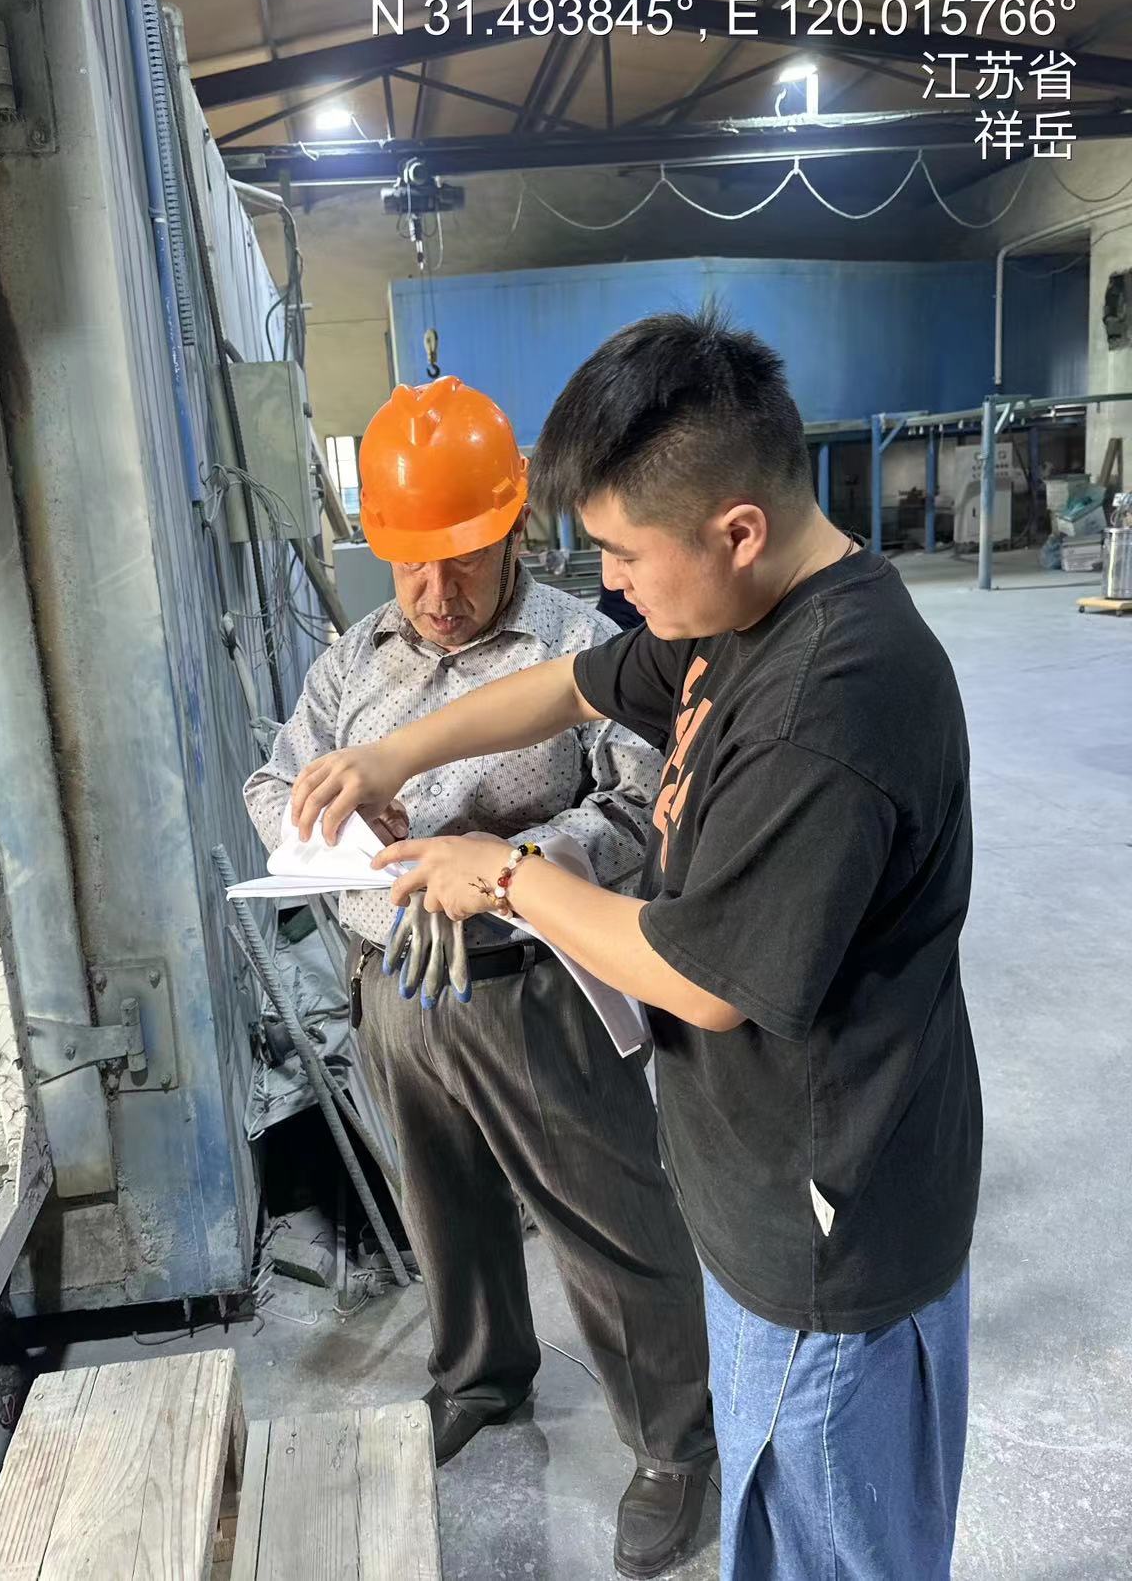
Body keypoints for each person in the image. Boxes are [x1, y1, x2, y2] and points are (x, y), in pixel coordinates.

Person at [291, 312, 983, 1581]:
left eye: (619, 554)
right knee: (783, 1528)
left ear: (736, 529)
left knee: (839, 1539)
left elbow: (699, 979)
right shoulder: (733, 618)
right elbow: (568, 686)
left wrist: (503, 872)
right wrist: (392, 755)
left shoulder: (825, 707)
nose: (607, 585)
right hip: (756, 1190)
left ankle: (678, 1452)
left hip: (830, 1237)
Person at [244, 375, 716, 1579]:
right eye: (410, 564)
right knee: (439, 1204)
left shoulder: (578, 646)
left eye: (460, 560)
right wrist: (318, 819)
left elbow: (640, 810)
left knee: (603, 1219)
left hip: (532, 984)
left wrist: (513, 864)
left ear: (511, 529)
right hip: (391, 982)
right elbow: (272, 780)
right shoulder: (354, 659)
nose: (435, 593)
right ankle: (480, 1375)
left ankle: (674, 1446)